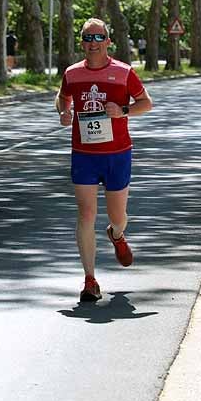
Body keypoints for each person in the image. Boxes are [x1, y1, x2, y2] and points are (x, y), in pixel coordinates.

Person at [55, 17, 153, 303]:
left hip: (117, 154)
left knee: (117, 217)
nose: (93, 43)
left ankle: (117, 235)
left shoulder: (123, 72)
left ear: (109, 42)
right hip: (84, 154)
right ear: (81, 42)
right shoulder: (72, 73)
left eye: (99, 38)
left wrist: (122, 110)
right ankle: (90, 280)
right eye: (88, 37)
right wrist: (63, 112)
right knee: (85, 214)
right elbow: (62, 97)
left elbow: (146, 103)